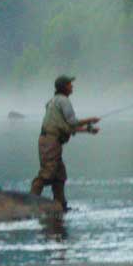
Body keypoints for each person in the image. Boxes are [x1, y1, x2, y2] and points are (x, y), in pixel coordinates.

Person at [30, 75, 99, 211]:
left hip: (49, 140)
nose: (72, 86)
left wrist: (88, 130)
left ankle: (60, 206)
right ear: (64, 87)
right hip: (51, 142)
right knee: (47, 173)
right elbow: (72, 122)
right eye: (70, 84)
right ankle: (29, 202)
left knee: (59, 175)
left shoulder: (53, 101)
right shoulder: (64, 101)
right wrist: (90, 120)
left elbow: (66, 126)